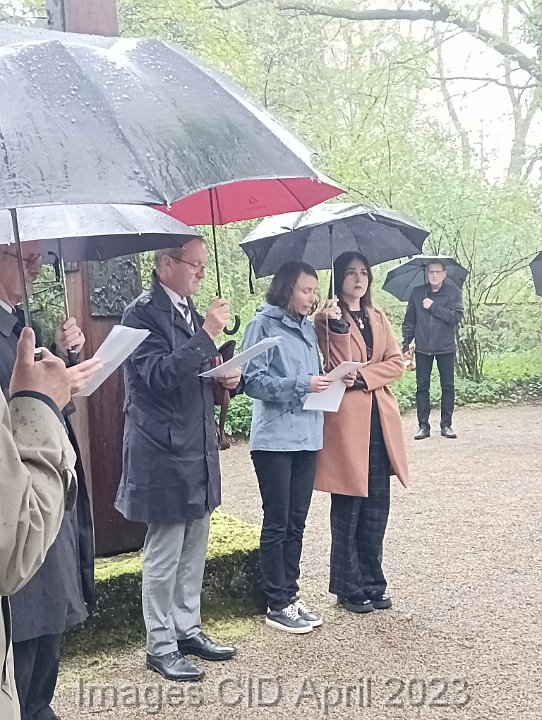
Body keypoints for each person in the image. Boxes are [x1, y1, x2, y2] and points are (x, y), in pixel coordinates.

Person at [115, 239, 240, 682]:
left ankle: (187, 629)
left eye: (204, 265)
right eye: (194, 264)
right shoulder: (140, 315)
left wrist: (226, 377)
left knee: (194, 546)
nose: (202, 273)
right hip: (161, 449)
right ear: (166, 263)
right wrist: (206, 336)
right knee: (164, 551)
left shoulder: (187, 309)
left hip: (196, 445)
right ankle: (160, 644)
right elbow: (159, 375)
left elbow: (192, 374)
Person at [0, 244, 99, 720]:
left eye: (40, 257)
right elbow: (17, 416)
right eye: (23, 256)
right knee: (23, 654)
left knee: (44, 652)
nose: (35, 267)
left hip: (42, 493)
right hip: (18, 501)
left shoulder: (21, 323)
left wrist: (62, 361)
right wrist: (45, 394)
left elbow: (39, 405)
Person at [242, 261, 343, 635]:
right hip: (274, 440)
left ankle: (291, 594)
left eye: (314, 291)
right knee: (278, 521)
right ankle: (276, 603)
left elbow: (314, 377)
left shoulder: (308, 328)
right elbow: (252, 382)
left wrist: (330, 378)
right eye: (305, 290)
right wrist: (302, 383)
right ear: (286, 289)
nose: (311, 297)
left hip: (308, 436)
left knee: (297, 522)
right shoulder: (262, 325)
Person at [315, 251, 409, 613]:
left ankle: (373, 580)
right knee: (349, 503)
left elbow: (396, 363)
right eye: (351, 272)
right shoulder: (326, 318)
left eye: (364, 273)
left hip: (379, 418)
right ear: (338, 278)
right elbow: (333, 363)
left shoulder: (378, 316)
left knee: (377, 505)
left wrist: (365, 377)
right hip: (347, 422)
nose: (358, 278)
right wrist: (334, 326)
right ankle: (347, 585)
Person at [401, 260, 464, 439]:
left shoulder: (453, 292)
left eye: (438, 272)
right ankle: (423, 426)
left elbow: (456, 317)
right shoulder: (417, 293)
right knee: (422, 387)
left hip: (445, 347)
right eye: (431, 272)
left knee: (448, 387)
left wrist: (433, 306)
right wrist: (406, 344)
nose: (434, 275)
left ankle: (446, 425)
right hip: (422, 348)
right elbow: (409, 321)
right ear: (427, 273)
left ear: (444, 274)